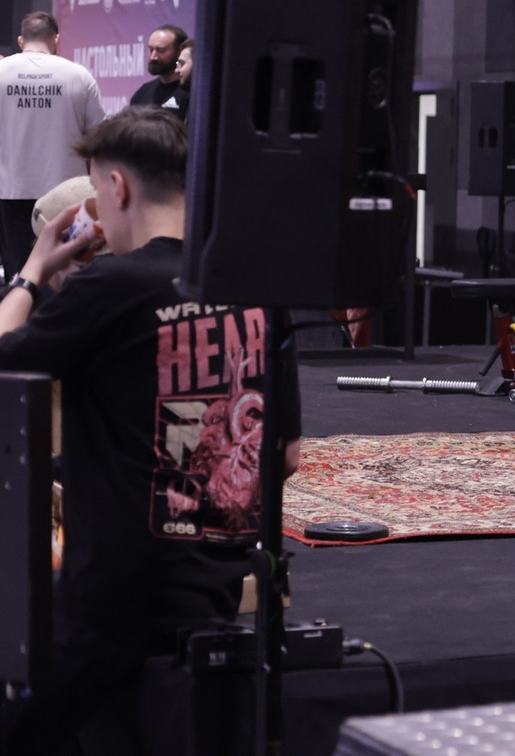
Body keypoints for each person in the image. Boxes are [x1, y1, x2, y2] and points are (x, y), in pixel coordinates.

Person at [0, 106, 298, 753]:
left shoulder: (112, 283)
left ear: (117, 187)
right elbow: (287, 455)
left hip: (111, 601)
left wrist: (32, 272)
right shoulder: (258, 284)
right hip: (213, 593)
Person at [0, 12, 106, 278]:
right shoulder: (79, 75)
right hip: (65, 192)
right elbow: (100, 136)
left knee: (19, 272)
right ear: (56, 39)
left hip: (10, 189)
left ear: (21, 40)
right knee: (67, 271)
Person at [127, 23, 191, 120]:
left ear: (179, 52)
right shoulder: (142, 92)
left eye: (161, 50)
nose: (153, 57)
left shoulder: (191, 93)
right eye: (151, 50)